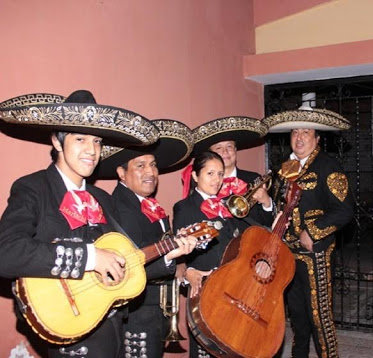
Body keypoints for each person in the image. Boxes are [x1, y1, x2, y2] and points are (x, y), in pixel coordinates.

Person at [0, 90, 158, 358]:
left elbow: (122, 259)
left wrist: (168, 252)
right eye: (81, 139)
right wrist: (90, 257)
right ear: (57, 141)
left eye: (97, 141)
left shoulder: (103, 199)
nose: (92, 150)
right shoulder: (34, 188)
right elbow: (6, 253)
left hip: (115, 331)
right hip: (70, 335)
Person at [96, 119, 198, 358]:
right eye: (140, 166)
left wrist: (180, 259)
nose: (150, 172)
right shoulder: (121, 207)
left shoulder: (149, 205)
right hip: (138, 312)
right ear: (121, 173)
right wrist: (171, 260)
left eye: (152, 165)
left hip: (155, 308)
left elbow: (161, 243)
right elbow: (130, 262)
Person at [263, 95, 354, 358]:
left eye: (306, 132)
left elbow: (345, 210)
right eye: (295, 132)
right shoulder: (285, 169)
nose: (299, 137)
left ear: (317, 138)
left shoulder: (328, 166)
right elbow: (281, 207)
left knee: (319, 317)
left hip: (316, 254)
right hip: (287, 255)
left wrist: (313, 231)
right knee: (297, 316)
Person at [173, 150, 244, 358]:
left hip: (232, 286)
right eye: (210, 173)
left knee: (230, 345)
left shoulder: (227, 206)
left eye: (221, 174)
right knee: (206, 348)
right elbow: (182, 253)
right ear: (195, 176)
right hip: (205, 288)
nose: (217, 180)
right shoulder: (184, 207)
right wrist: (189, 270)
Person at [191, 116, 273, 229]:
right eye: (218, 148)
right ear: (211, 154)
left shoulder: (253, 179)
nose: (225, 152)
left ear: (235, 150)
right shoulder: (206, 184)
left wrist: (266, 203)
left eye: (229, 146)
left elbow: (267, 222)